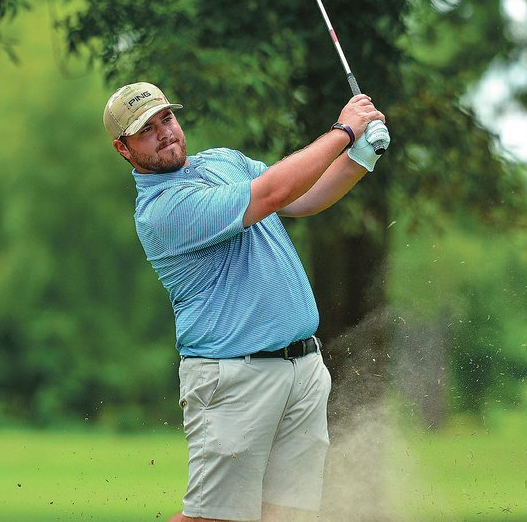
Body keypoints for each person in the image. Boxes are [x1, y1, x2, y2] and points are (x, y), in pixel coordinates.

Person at [103, 82, 390, 522]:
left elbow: (300, 196)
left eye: (167, 119)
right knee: (213, 518)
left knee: (285, 515)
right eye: (146, 130)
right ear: (124, 149)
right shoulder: (163, 209)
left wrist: (360, 157)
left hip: (302, 369)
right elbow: (271, 193)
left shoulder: (222, 161)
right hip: (234, 378)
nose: (164, 133)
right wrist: (343, 132)